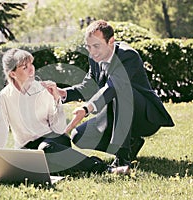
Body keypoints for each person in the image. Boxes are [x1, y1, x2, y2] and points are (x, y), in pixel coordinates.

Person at [55, 20, 175, 168]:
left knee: (119, 89)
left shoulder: (128, 55)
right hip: (115, 114)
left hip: (143, 117)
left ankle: (123, 156)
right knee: (79, 136)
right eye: (88, 47)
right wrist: (63, 93)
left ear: (111, 41)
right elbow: (88, 86)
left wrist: (86, 108)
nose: (92, 52)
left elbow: (113, 87)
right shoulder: (95, 57)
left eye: (96, 46)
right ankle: (131, 143)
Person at [0, 48, 129, 175]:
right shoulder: (3, 97)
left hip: (54, 141)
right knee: (34, 163)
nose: (31, 70)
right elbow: (1, 130)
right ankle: (66, 163)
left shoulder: (42, 89)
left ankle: (104, 169)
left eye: (31, 64)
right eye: (25, 67)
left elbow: (60, 128)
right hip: (27, 147)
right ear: (13, 73)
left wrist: (57, 99)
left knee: (46, 149)